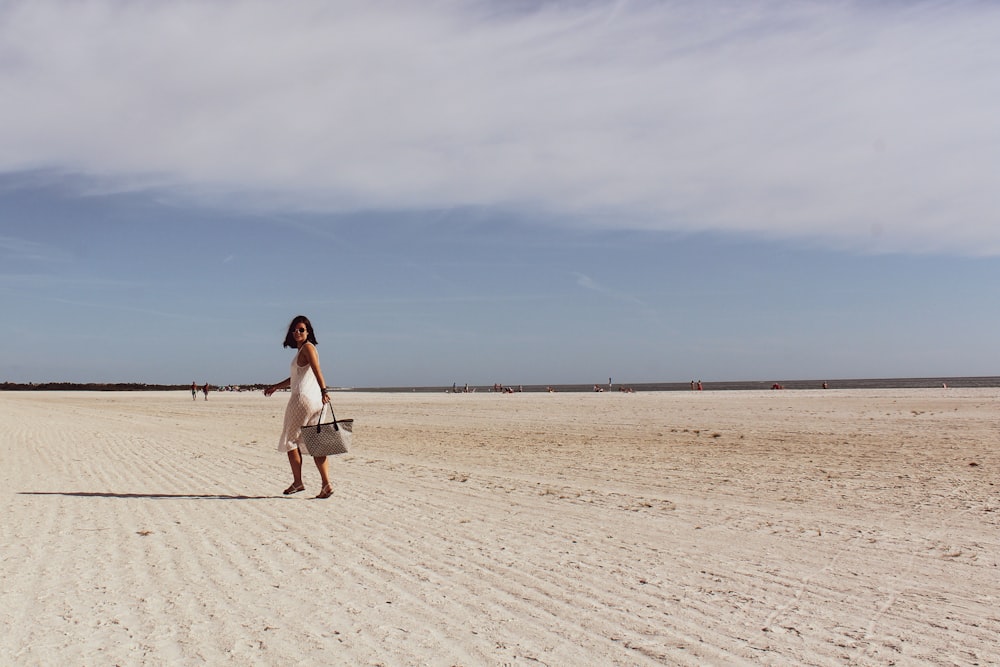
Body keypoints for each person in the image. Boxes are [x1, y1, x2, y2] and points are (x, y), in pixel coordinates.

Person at [264, 315, 334, 499]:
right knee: (316, 442)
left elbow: (317, 369)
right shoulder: (302, 350)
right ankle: (326, 484)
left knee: (290, 440)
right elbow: (295, 378)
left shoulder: (308, 348)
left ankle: (298, 482)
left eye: (301, 330)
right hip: (316, 402)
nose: (297, 333)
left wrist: (324, 389)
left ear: (308, 332)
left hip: (302, 400)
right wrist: (275, 387)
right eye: (294, 330)